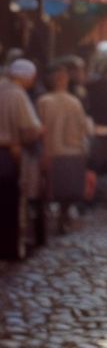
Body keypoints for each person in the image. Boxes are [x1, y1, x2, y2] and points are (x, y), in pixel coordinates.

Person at [37, 63, 90, 233]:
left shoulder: (43, 102)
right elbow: (84, 128)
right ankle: (63, 216)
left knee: (50, 189)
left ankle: (49, 220)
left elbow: (39, 128)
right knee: (67, 191)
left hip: (51, 151)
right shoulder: (74, 102)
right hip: (72, 152)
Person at [0, 59, 43, 259]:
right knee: (9, 204)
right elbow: (30, 128)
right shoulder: (17, 94)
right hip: (9, 155)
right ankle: (9, 250)